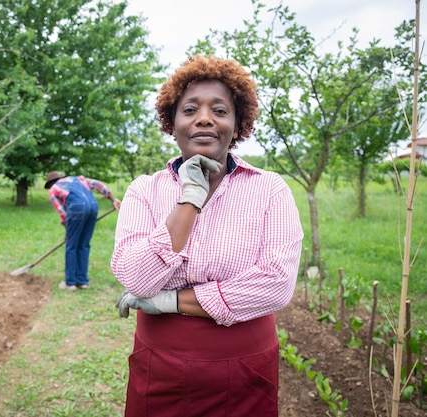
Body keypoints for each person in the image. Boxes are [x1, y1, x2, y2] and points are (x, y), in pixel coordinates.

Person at [111, 55, 304, 417]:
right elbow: (135, 276)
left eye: (219, 110)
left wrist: (169, 300)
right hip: (160, 365)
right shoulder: (144, 190)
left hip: (245, 366)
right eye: (190, 110)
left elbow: (276, 284)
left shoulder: (269, 190)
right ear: (173, 122)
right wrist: (190, 199)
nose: (204, 118)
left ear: (237, 123)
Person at [45, 171, 121, 291]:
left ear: (50, 183)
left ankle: (70, 283)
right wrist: (113, 199)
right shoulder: (78, 179)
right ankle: (82, 282)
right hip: (93, 206)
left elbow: (63, 213)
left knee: (71, 246)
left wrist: (69, 231)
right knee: (84, 245)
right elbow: (97, 184)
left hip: (77, 208)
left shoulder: (53, 190)